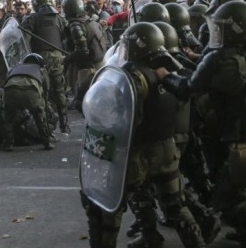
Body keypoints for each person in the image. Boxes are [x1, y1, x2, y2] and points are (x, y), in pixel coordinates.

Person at [80, 22, 206, 248]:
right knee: (175, 206)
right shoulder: (170, 73)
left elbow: (108, 116)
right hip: (167, 151)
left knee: (106, 209)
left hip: (136, 154)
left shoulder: (132, 79)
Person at [155, 1, 246, 247]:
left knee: (225, 200)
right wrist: (195, 59)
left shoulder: (218, 58)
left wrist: (166, 76)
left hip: (237, 138)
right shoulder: (235, 55)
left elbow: (187, 89)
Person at [21, 0, 70, 133]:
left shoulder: (32, 18)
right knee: (59, 91)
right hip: (58, 56)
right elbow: (66, 37)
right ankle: (64, 123)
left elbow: (24, 40)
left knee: (42, 92)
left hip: (40, 58)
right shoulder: (59, 19)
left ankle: (45, 124)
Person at [63, 0, 110, 113]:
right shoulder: (89, 20)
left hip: (88, 69)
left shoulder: (75, 25)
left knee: (83, 103)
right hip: (100, 64)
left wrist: (68, 59)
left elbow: (83, 51)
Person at [1, 53, 53, 151]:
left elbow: (6, 81)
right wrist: (44, 106)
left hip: (11, 90)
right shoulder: (41, 70)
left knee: (8, 118)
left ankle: (8, 144)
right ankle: (47, 142)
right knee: (39, 116)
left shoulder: (15, 68)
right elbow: (46, 91)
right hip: (31, 92)